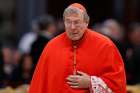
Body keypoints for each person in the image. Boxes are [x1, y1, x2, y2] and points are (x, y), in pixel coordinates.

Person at [29, 3, 126, 93]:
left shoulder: (105, 45)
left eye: (77, 22)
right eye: (68, 22)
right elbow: (39, 85)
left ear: (86, 22)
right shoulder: (52, 47)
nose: (72, 27)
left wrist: (91, 82)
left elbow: (118, 84)